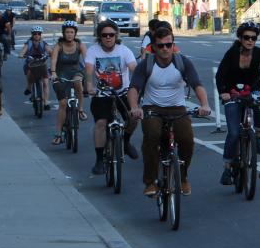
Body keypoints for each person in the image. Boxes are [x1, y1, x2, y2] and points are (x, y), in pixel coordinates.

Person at [127, 25, 211, 196]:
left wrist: (205, 104)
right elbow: (134, 88)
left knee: (187, 140)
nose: (165, 49)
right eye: (161, 45)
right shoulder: (146, 64)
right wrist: (135, 108)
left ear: (173, 45)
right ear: (154, 47)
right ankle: (150, 182)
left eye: (169, 44)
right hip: (153, 108)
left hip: (177, 108)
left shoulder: (182, 62)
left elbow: (197, 84)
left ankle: (183, 177)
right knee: (151, 137)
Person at [214, 21, 260, 185]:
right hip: (232, 93)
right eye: (246, 37)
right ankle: (227, 167)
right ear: (240, 38)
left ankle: (257, 135)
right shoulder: (232, 53)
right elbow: (220, 75)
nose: (250, 40)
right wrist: (223, 92)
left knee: (259, 100)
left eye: (254, 38)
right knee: (234, 133)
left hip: (252, 91)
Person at [85, 20, 139, 176]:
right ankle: (99, 160)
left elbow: (134, 68)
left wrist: (138, 85)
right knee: (101, 122)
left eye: (111, 35)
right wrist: (89, 86)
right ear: (99, 37)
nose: (108, 38)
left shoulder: (124, 50)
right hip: (102, 94)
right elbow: (88, 69)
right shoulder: (93, 51)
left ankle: (126, 142)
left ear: (116, 36)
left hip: (123, 92)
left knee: (133, 117)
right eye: (104, 35)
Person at [50, 21, 87, 145]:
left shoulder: (80, 45)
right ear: (63, 33)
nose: (69, 34)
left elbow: (87, 61)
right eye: (67, 32)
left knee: (78, 82)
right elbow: (53, 60)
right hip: (60, 75)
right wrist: (54, 73)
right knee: (63, 104)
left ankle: (80, 109)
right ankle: (58, 134)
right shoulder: (58, 46)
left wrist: (91, 72)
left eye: (72, 32)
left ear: (75, 33)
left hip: (76, 72)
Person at [18, 26, 51, 110]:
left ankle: (46, 102)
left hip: (41, 64)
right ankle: (29, 87)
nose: (37, 35)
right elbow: (23, 51)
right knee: (29, 74)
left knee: (46, 82)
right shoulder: (28, 43)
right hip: (31, 63)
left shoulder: (43, 43)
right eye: (35, 34)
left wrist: (51, 53)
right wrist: (21, 55)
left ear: (41, 35)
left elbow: (50, 51)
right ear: (32, 35)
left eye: (38, 34)